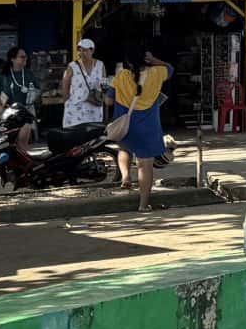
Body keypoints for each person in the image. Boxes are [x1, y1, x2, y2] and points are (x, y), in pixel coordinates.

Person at [112, 44, 170, 212]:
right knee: (145, 165)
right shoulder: (158, 73)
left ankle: (125, 177)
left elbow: (108, 100)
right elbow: (170, 68)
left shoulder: (121, 76)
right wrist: (154, 60)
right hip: (148, 129)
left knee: (124, 149)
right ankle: (143, 205)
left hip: (127, 127)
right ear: (146, 59)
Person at [60, 37, 111, 133]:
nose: (82, 53)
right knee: (74, 136)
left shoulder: (100, 65)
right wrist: (67, 102)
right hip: (75, 108)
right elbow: (65, 85)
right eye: (80, 50)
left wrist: (103, 95)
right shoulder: (72, 66)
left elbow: (104, 84)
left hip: (94, 108)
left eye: (85, 50)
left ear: (92, 50)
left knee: (92, 135)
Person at [0, 46, 40, 120]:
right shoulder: (2, 74)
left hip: (26, 110)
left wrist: (35, 96)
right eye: (22, 57)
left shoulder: (29, 73)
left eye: (26, 56)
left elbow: (37, 90)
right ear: (12, 59)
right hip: (7, 111)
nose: (25, 58)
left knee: (27, 129)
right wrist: (1, 109)